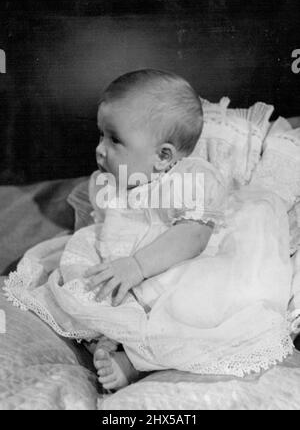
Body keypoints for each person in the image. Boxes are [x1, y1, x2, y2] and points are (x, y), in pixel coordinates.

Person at [4, 69, 296, 391]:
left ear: (163, 156)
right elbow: (107, 228)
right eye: (101, 135)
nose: (101, 149)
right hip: (129, 263)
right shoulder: (112, 181)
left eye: (114, 139)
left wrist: (138, 266)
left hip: (178, 261)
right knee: (84, 271)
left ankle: (135, 362)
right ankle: (106, 335)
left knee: (189, 310)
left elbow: (193, 236)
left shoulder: (191, 180)